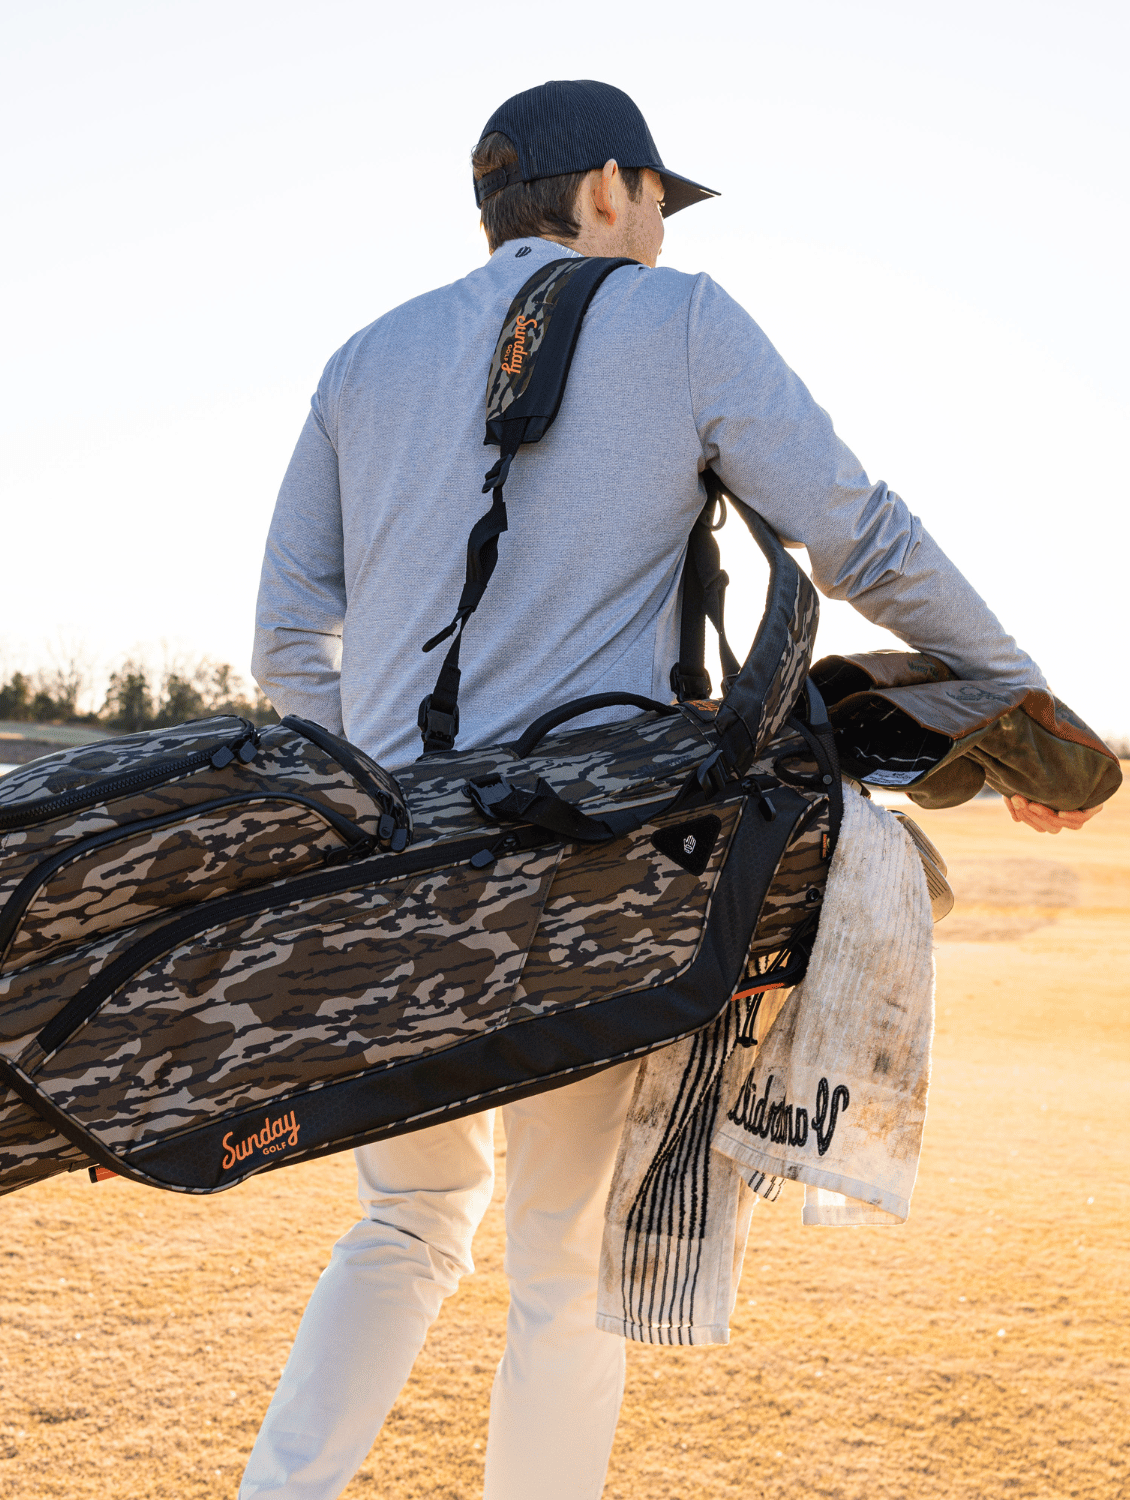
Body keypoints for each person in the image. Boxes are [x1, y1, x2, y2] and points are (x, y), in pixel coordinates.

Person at [242, 78, 1098, 1500]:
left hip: (391, 870)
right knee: (564, 1268)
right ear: (601, 194)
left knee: (407, 1225)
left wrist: (379, 809)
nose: (653, 232)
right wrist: (1017, 704)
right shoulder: (679, 317)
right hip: (588, 865)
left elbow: (290, 640)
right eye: (650, 201)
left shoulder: (363, 359)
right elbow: (857, 536)